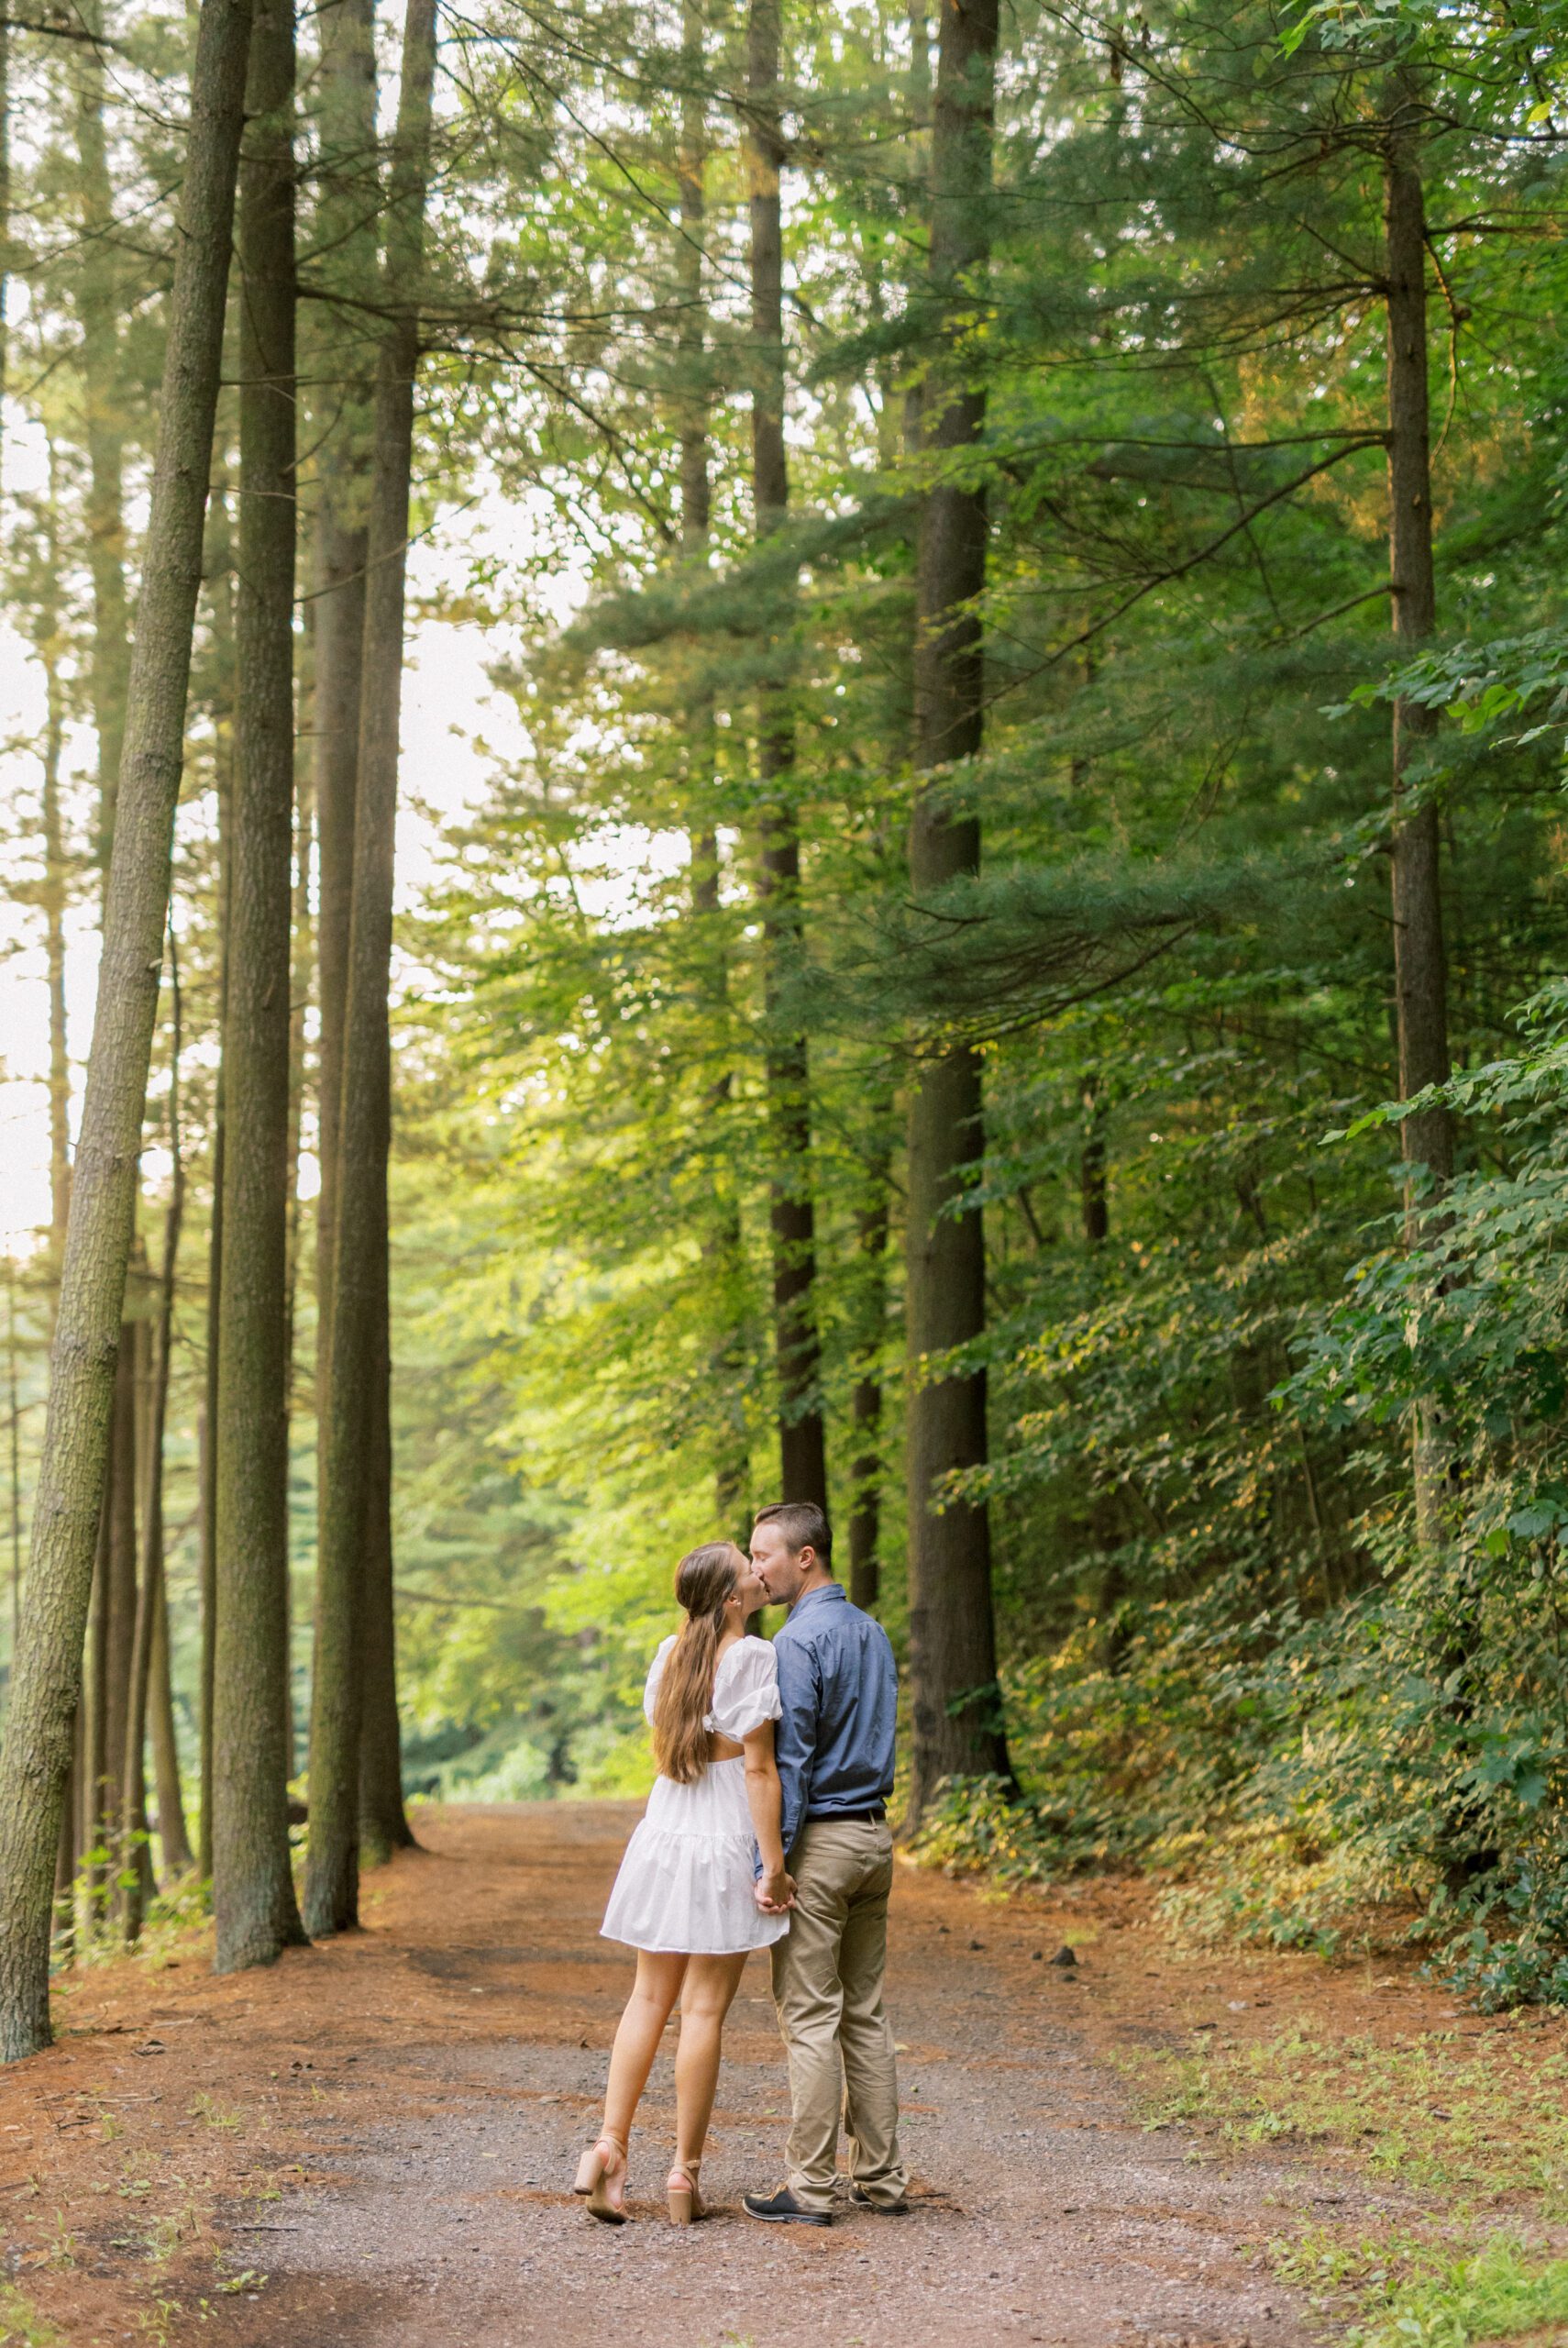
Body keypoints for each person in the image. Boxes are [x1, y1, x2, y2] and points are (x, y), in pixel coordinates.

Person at [575, 1541, 794, 2226]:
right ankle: (684, 2174)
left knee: (645, 2000)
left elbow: (681, 1747)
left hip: (666, 1836)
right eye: (746, 1567)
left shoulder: (668, 1658)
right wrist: (774, 1866)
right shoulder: (753, 1657)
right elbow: (758, 1772)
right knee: (701, 2013)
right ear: (732, 1599)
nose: (760, 1571)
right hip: (723, 1841)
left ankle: (609, 2150)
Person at [743, 1501, 910, 2226]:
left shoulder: (795, 1642)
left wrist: (771, 1862)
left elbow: (793, 1760)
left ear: (803, 1557)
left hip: (824, 1842)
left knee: (811, 2016)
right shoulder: (872, 1632)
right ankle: (882, 2180)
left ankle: (809, 2190)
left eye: (763, 1557)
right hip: (876, 1839)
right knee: (864, 2014)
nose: (755, 1571)